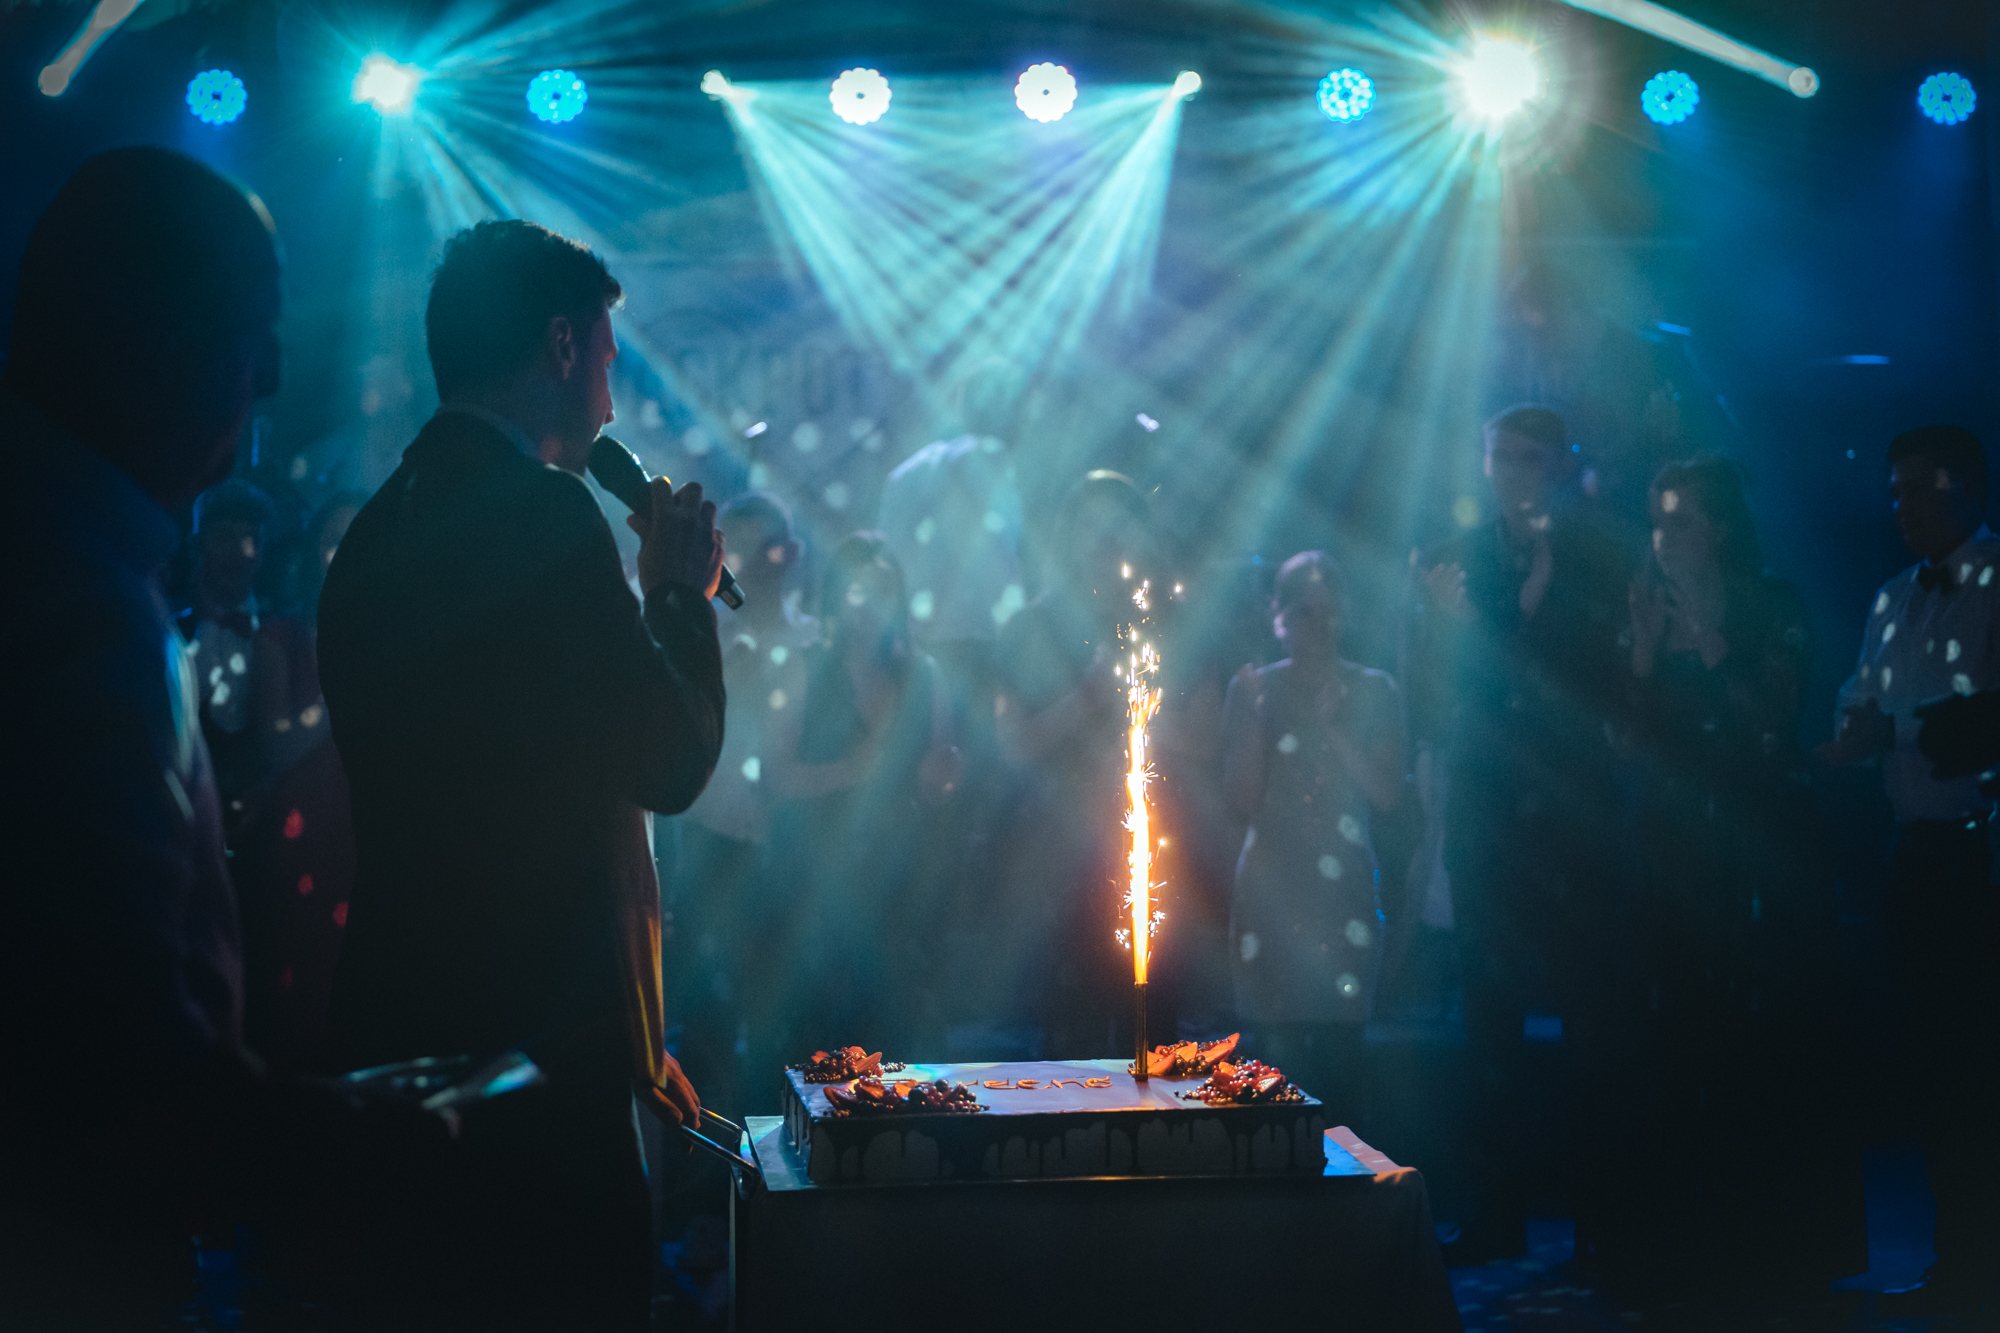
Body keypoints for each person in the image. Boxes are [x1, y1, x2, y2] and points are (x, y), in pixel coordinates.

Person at [0, 147, 442, 1330]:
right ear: (154, 338)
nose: (274, 376)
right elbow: (108, 1054)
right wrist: (345, 1131)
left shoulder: (81, 558)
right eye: (253, 330)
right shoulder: (70, 604)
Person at [317, 219, 724, 1330]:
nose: (611, 403)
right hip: (531, 1073)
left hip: (394, 1037)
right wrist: (677, 595)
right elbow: (669, 758)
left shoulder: (372, 535)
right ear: (559, 344)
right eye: (606, 360)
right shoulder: (542, 514)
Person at [1606, 457, 1862, 1297]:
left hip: (1759, 849)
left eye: (1679, 520)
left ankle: (1777, 1247)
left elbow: (1775, 721)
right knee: (1678, 1034)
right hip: (1675, 849)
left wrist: (1711, 643)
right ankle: (1688, 1247)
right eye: (1655, 521)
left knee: (1764, 1041)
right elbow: (1623, 746)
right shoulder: (1646, 608)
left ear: (1717, 527)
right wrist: (1646, 653)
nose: (1663, 537)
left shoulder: (1771, 603)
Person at [1406, 405, 1632, 1264]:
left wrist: (1519, 607)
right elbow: (1435, 682)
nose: (1512, 472)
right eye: (1501, 456)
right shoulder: (1453, 557)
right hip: (1489, 803)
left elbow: (1595, 679)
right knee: (1489, 1018)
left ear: (1558, 466)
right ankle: (1498, 1212)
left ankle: (1601, 1218)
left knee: (1588, 1013)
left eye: (1530, 459)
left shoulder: (1596, 555)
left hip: (1572, 808)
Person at [1819, 424, 2000, 1315]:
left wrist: (1891, 728)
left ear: (1964, 486)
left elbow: (1986, 720)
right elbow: (1857, 699)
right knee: (1934, 1066)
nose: (1903, 508)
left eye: (1919, 489)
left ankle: (1981, 1257)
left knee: (1978, 1064)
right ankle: (1957, 1253)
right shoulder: (1892, 596)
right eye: (1895, 493)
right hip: (1917, 850)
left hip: (1983, 850)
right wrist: (1851, 731)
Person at [1221, 553, 1405, 1127]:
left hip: (1343, 897)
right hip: (1270, 893)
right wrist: (1255, 718)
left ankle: (1346, 1183)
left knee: (1341, 1069)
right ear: (1277, 616)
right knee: (1271, 1071)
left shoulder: (1375, 689)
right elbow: (1241, 799)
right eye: (1304, 612)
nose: (1318, 625)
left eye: (1329, 612)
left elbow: (1387, 795)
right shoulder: (1254, 689)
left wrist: (1336, 729)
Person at [992, 471, 1166, 1054]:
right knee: (1074, 1054)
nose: (1107, 541)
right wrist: (1088, 696)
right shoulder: (1029, 626)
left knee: (1159, 1046)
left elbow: (1202, 743)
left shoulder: (1160, 622)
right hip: (1062, 866)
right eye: (1093, 528)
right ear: (1068, 538)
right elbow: (1013, 745)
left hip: (1157, 862)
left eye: (1120, 527)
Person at [765, 533, 958, 1057]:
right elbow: (777, 777)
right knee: (821, 1033)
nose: (868, 605)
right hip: (820, 873)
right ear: (834, 596)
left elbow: (939, 776)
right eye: (855, 590)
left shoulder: (923, 673)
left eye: (881, 591)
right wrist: (852, 770)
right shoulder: (805, 667)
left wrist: (943, 775)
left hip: (898, 875)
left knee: (896, 1032)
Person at [671, 491, 818, 1116]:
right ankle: (713, 1156)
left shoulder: (819, 644)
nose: (755, 568)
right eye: (742, 553)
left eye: (768, 552)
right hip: (712, 842)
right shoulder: (699, 636)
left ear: (792, 555)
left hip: (797, 853)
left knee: (789, 1019)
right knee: (708, 1015)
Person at [235, 491, 369, 1070]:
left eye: (356, 538)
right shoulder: (281, 635)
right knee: (303, 979)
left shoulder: (399, 631)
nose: (344, 552)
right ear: (314, 550)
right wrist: (341, 692)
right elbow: (277, 746)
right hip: (303, 830)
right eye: (332, 540)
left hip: (369, 828)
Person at [179, 477, 278, 835]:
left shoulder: (282, 633)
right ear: (197, 545)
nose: (238, 551)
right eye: (223, 537)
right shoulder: (168, 635)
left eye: (249, 539)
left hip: (267, 827)